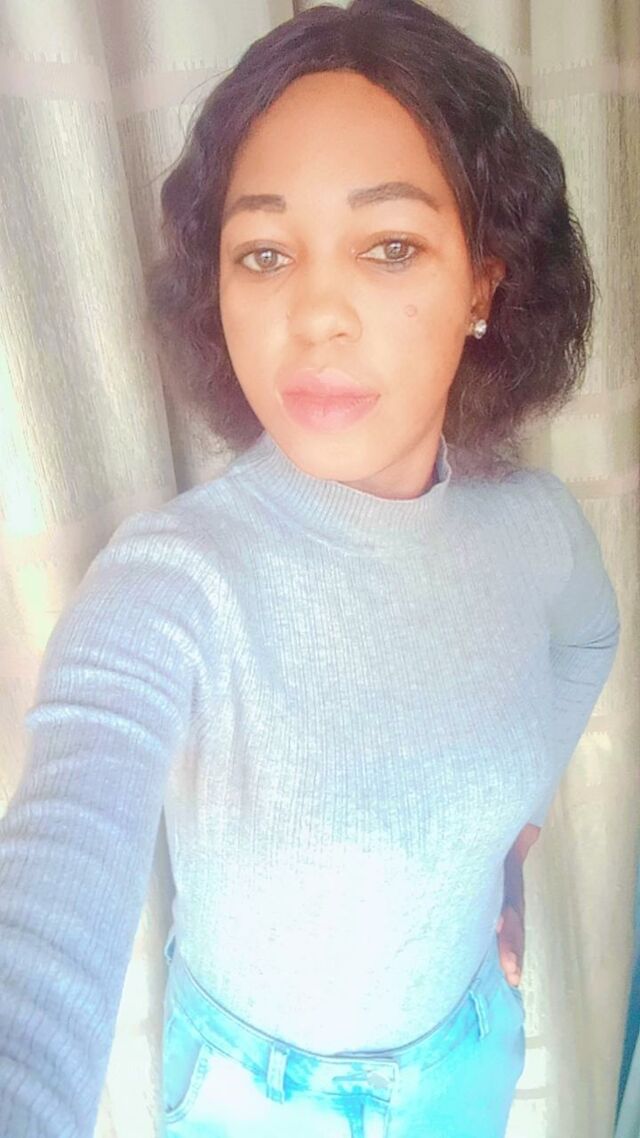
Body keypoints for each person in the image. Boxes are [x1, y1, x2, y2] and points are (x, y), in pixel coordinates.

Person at [0, 1, 620, 1135]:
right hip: (249, 1099)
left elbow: (589, 637)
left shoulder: (535, 529)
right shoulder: (173, 586)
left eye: (390, 246)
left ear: (483, 284)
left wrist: (512, 832)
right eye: (264, 254)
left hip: (465, 1061)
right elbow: (44, 920)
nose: (314, 312)